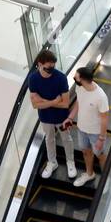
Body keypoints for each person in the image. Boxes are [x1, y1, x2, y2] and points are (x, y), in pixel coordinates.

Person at [28, 48, 77, 181]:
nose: (51, 70)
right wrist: (54, 101)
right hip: (45, 118)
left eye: (52, 67)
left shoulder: (60, 78)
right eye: (47, 68)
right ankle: (52, 162)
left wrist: (43, 101)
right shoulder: (33, 79)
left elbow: (65, 103)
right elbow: (34, 104)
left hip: (62, 117)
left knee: (66, 138)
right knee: (49, 139)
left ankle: (70, 162)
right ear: (39, 64)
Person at [64, 67, 109, 188]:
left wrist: (101, 138)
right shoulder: (80, 88)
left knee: (101, 155)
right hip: (82, 129)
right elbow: (79, 103)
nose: (74, 78)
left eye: (76, 77)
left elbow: (105, 118)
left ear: (82, 79)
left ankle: (105, 180)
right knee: (86, 151)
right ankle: (89, 174)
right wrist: (70, 118)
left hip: (95, 133)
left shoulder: (100, 97)